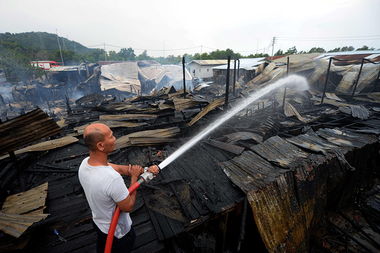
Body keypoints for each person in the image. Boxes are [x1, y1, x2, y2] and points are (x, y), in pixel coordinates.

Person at [78, 123, 159, 253]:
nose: (115, 138)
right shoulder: (112, 179)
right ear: (100, 145)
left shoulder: (85, 163)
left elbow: (119, 168)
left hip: (100, 224)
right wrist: (134, 178)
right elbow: (128, 206)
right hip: (117, 233)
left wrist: (145, 170)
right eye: (111, 136)